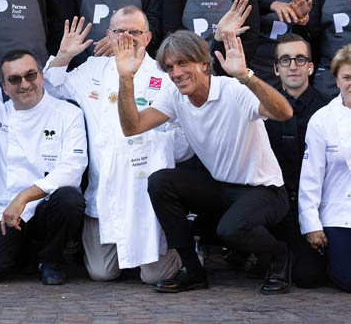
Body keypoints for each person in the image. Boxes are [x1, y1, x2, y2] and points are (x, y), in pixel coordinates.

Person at [114, 30, 294, 294]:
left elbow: (284, 113)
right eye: (170, 67)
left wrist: (245, 76)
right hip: (221, 187)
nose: (176, 73)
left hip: (265, 190)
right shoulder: (175, 96)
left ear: (203, 63)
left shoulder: (233, 90)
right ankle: (192, 270)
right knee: (160, 182)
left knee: (230, 230)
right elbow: (133, 127)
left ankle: (280, 255)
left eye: (183, 63)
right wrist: (126, 78)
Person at [44, 9, 184, 284]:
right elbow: (49, 91)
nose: (127, 37)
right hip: (104, 192)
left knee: (153, 275)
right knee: (101, 273)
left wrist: (149, 149)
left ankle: (186, 250)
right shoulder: (93, 70)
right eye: (120, 31)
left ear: (148, 37)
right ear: (109, 35)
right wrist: (64, 55)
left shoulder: (164, 76)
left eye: (135, 32)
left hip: (145, 195)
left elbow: (182, 137)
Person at [0, 47, 86, 285]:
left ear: (41, 76)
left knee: (69, 200)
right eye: (14, 79)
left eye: (30, 75)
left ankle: (51, 260)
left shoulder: (68, 113)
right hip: (3, 208)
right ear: (5, 87)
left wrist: (24, 197)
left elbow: (73, 167)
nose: (25, 84)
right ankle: (28, 256)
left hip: (44, 206)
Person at [264, 34, 327, 287]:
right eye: (286, 60)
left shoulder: (327, 110)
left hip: (312, 206)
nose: (293, 66)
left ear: (310, 66)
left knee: (308, 277)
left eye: (300, 59)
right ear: (276, 68)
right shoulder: (261, 108)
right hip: (273, 203)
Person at [298, 42, 351, 292]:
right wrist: (312, 225)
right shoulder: (322, 120)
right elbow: (311, 178)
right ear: (336, 80)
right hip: (338, 214)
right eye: (347, 77)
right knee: (346, 280)